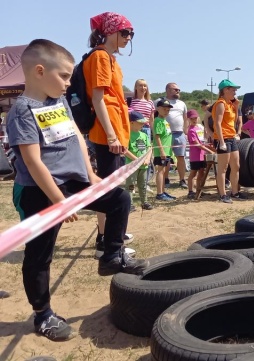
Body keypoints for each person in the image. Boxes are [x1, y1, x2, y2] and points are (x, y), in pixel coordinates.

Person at [6, 39, 148, 342]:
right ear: (40, 71)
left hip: (75, 181)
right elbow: (32, 161)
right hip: (40, 190)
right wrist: (59, 201)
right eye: (65, 76)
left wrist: (92, 175)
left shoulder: (59, 103)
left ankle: (111, 255)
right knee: (40, 254)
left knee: (119, 199)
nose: (70, 83)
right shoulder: (21, 110)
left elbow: (78, 141)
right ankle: (42, 314)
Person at [84, 12, 136, 258]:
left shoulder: (110, 59)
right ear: (110, 32)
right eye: (125, 32)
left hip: (115, 131)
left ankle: (112, 235)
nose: (128, 37)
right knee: (109, 190)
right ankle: (105, 241)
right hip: (108, 133)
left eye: (131, 34)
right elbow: (98, 99)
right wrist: (113, 136)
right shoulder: (100, 57)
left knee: (113, 187)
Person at [212, 79, 246, 204]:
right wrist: (221, 141)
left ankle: (235, 192)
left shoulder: (231, 104)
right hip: (223, 138)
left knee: (236, 166)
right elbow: (217, 123)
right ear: (225, 90)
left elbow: (234, 120)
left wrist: (236, 107)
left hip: (231, 137)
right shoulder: (220, 103)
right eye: (232, 89)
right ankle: (222, 195)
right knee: (223, 168)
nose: (235, 91)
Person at [160, 83, 188, 188]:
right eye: (175, 89)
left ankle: (182, 180)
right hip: (165, 133)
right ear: (168, 90)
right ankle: (166, 179)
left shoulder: (182, 103)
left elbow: (185, 118)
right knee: (166, 157)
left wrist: (185, 131)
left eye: (179, 90)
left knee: (181, 157)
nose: (178, 91)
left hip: (179, 133)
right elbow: (153, 115)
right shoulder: (160, 102)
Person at [124, 111, 152, 210]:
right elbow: (125, 150)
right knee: (131, 185)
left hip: (144, 165)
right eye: (140, 123)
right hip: (132, 166)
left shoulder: (144, 135)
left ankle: (144, 202)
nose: (142, 124)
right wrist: (137, 160)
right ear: (131, 123)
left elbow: (149, 147)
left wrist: (147, 159)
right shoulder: (127, 135)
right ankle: (129, 203)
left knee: (143, 185)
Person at [186, 109, 214, 199]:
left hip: (202, 155)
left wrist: (209, 147)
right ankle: (190, 191)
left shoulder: (199, 128)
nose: (194, 120)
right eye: (192, 118)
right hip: (195, 156)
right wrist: (209, 150)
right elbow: (197, 144)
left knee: (202, 173)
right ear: (188, 119)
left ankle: (199, 190)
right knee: (193, 173)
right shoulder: (190, 130)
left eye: (195, 118)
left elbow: (202, 142)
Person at [153, 98, 176, 201]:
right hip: (161, 151)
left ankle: (163, 191)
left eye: (168, 110)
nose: (167, 111)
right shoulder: (158, 121)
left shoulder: (165, 121)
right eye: (164, 109)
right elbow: (157, 136)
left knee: (165, 171)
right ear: (158, 109)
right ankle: (159, 193)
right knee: (160, 171)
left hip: (167, 151)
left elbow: (167, 136)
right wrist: (161, 150)